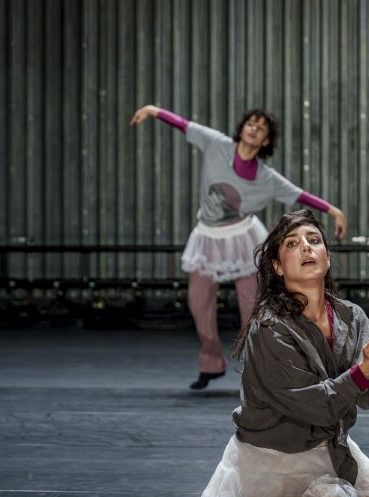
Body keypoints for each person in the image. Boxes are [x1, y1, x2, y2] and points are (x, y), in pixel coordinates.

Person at [188, 209, 369, 497]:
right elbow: (314, 405)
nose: (307, 248)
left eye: (314, 241)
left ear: (328, 256)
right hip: (281, 456)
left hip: (332, 450)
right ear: (278, 266)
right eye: (293, 244)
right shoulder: (270, 327)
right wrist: (366, 368)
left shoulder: (351, 316)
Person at [130, 105, 348, 388]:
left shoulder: (266, 178)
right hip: (207, 237)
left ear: (266, 141)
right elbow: (184, 124)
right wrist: (153, 110)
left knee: (252, 306)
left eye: (261, 128)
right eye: (251, 123)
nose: (254, 128)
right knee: (198, 302)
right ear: (242, 128)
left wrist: (333, 211)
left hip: (243, 238)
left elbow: (299, 194)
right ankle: (211, 362)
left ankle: (256, 366)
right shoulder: (217, 144)